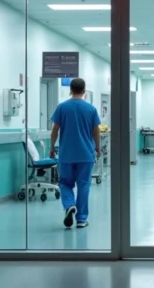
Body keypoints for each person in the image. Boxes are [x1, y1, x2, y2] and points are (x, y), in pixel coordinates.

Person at [49, 78, 101, 229]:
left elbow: (55, 130)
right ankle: (81, 219)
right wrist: (97, 148)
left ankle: (69, 205)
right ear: (84, 91)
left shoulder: (62, 107)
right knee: (84, 185)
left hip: (66, 154)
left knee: (65, 183)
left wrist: (52, 147)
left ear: (70, 90)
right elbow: (96, 131)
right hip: (86, 154)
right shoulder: (91, 109)